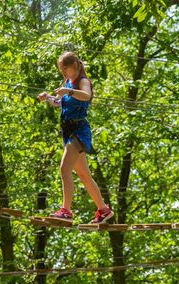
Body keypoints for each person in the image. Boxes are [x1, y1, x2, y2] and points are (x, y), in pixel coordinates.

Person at [37, 51, 114, 224]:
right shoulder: (67, 82)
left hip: (79, 131)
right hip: (68, 132)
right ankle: (103, 210)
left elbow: (86, 96)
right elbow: (58, 102)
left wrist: (69, 91)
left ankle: (66, 211)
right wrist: (47, 97)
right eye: (60, 69)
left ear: (74, 65)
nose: (62, 71)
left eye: (65, 68)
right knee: (83, 174)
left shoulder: (82, 81)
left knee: (64, 169)